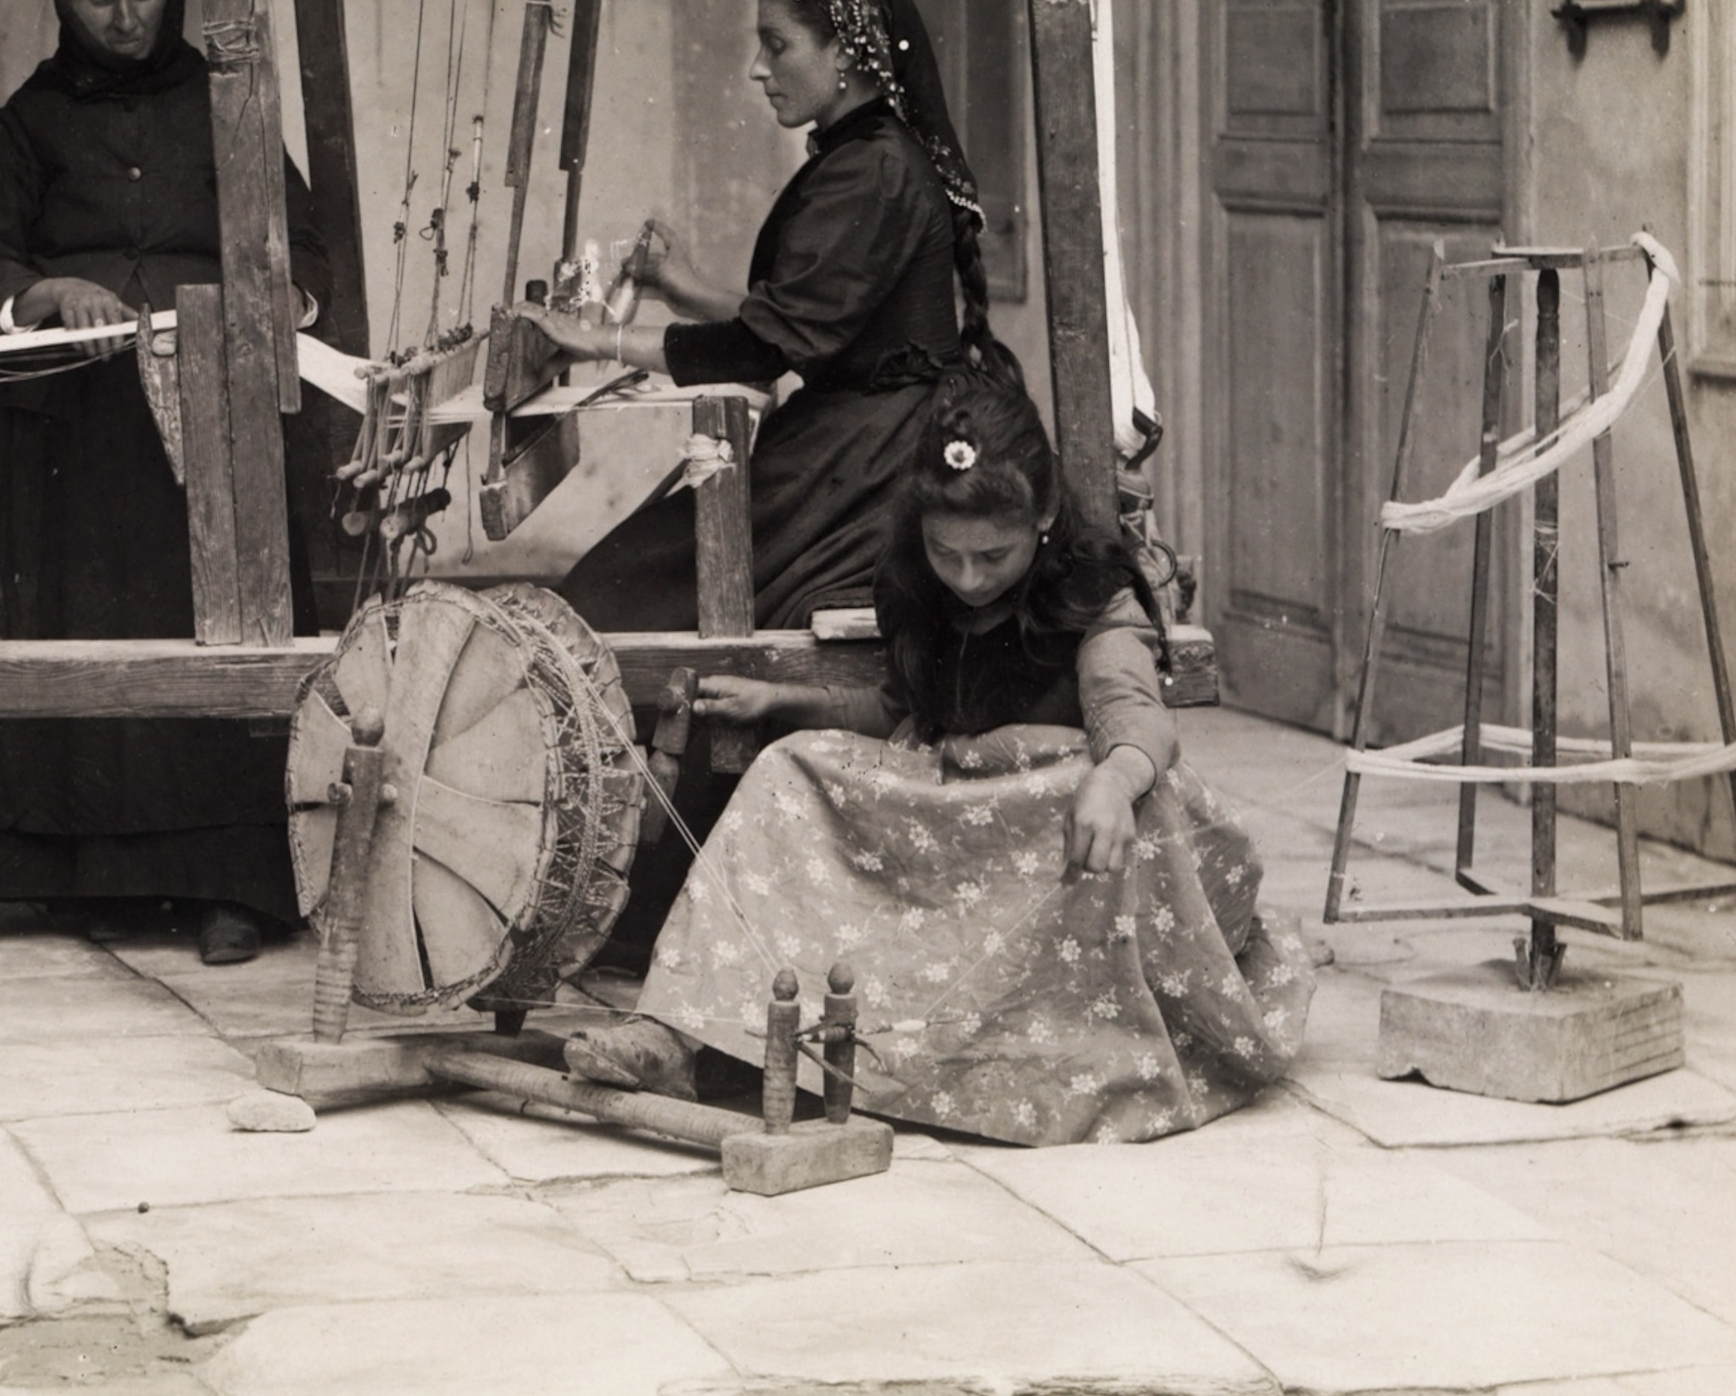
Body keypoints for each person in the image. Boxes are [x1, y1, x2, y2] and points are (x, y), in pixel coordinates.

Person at [557, 361, 1310, 1144]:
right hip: (947, 802)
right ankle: (683, 1033)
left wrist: (1114, 780)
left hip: (1047, 818)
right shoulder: (917, 577)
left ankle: (1017, 1064)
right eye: (948, 553)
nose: (968, 577)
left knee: (1130, 807)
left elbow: (1133, 709)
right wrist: (787, 704)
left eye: (993, 556)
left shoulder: (1089, 588)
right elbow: (899, 707)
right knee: (789, 768)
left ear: (1043, 515)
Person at [0, 0, 331, 966]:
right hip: (67, 435)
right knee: (83, 645)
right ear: (65, 6)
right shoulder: (31, 119)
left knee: (214, 632)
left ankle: (231, 886)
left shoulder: (230, 109)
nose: (124, 17)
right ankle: (96, 880)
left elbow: (303, 257)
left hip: (197, 422)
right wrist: (45, 294)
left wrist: (264, 305)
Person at [520, 0, 991, 958]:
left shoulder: (870, 171)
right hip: (854, 435)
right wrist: (681, 287)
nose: (759, 67)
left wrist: (599, 339)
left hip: (868, 461)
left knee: (613, 601)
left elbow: (769, 344)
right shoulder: (866, 157)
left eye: (779, 46)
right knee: (641, 586)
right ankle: (636, 900)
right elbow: (804, 319)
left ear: (850, 51)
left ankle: (632, 905)